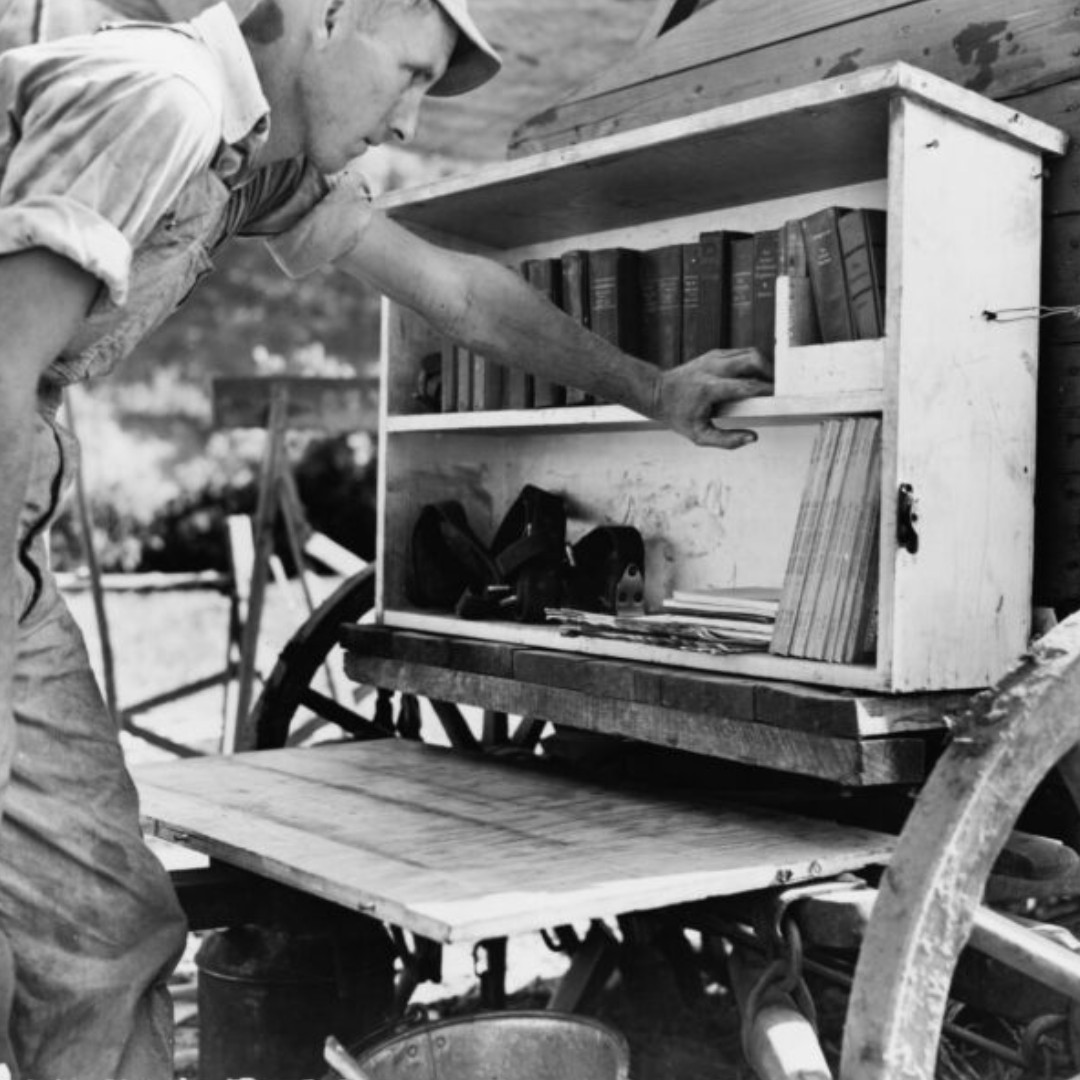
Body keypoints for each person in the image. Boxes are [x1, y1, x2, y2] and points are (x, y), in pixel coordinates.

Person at [0, 0, 771, 1075]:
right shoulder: (163, 99)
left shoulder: (250, 164)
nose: (408, 122)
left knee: (107, 935)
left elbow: (458, 295)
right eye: (408, 72)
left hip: (13, 532)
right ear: (326, 14)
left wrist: (654, 390)